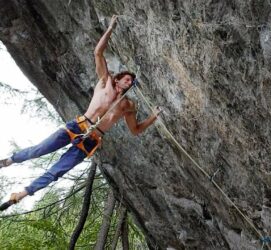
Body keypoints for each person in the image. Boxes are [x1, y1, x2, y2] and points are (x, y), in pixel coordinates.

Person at [0, 15, 161, 205]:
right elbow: (98, 53)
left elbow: (135, 130)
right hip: (77, 126)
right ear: (118, 79)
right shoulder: (105, 82)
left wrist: (153, 117)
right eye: (126, 78)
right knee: (40, 149)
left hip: (91, 139)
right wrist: (110, 29)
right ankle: (8, 161)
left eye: (131, 80)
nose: (129, 80)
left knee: (58, 171)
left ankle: (21, 195)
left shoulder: (128, 106)